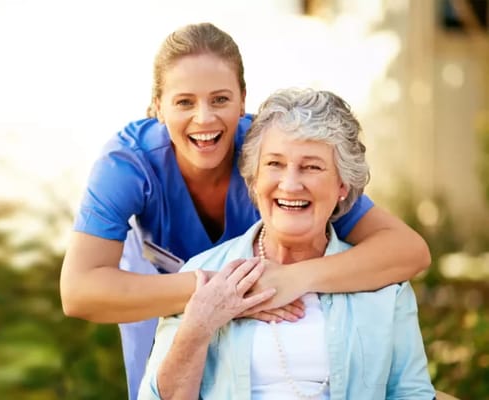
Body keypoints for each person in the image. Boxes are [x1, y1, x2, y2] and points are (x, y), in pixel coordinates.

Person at [60, 22, 431, 399]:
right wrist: (224, 292)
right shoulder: (128, 163)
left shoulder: (278, 153)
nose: (204, 118)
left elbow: (408, 251)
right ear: (157, 106)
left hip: (268, 272)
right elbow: (79, 292)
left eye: (220, 99)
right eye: (184, 102)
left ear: (242, 101)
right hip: (159, 285)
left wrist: (294, 279)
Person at [139, 87, 435, 399]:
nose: (291, 185)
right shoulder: (203, 271)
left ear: (343, 186)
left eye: (312, 167)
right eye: (275, 164)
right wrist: (200, 324)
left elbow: (412, 394)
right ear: (254, 178)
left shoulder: (385, 287)